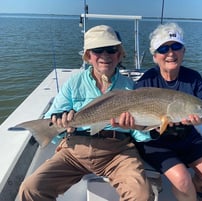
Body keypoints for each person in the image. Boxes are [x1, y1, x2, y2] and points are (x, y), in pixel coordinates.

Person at [19, 25, 154, 201]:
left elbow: (141, 136)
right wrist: (61, 121)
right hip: (75, 149)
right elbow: (52, 117)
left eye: (111, 49)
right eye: (98, 50)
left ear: (119, 54)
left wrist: (137, 126)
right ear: (88, 56)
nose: (105, 55)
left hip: (118, 152)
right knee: (31, 188)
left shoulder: (131, 87)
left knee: (141, 195)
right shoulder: (73, 83)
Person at [114, 23, 202, 201]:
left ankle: (197, 185)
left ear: (183, 51)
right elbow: (141, 127)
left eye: (176, 47)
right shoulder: (145, 82)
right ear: (155, 56)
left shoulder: (194, 79)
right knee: (182, 179)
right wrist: (132, 123)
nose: (171, 53)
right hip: (155, 142)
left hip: (187, 137)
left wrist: (197, 121)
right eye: (163, 48)